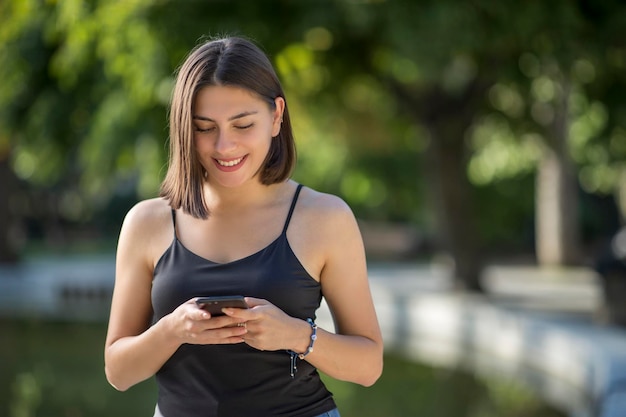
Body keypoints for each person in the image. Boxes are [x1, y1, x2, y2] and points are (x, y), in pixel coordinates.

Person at [104, 36, 383, 417]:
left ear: (276, 116)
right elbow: (118, 371)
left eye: (242, 124)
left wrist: (295, 335)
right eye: (204, 128)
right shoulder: (147, 222)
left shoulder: (325, 218)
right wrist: (172, 330)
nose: (224, 145)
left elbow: (369, 366)